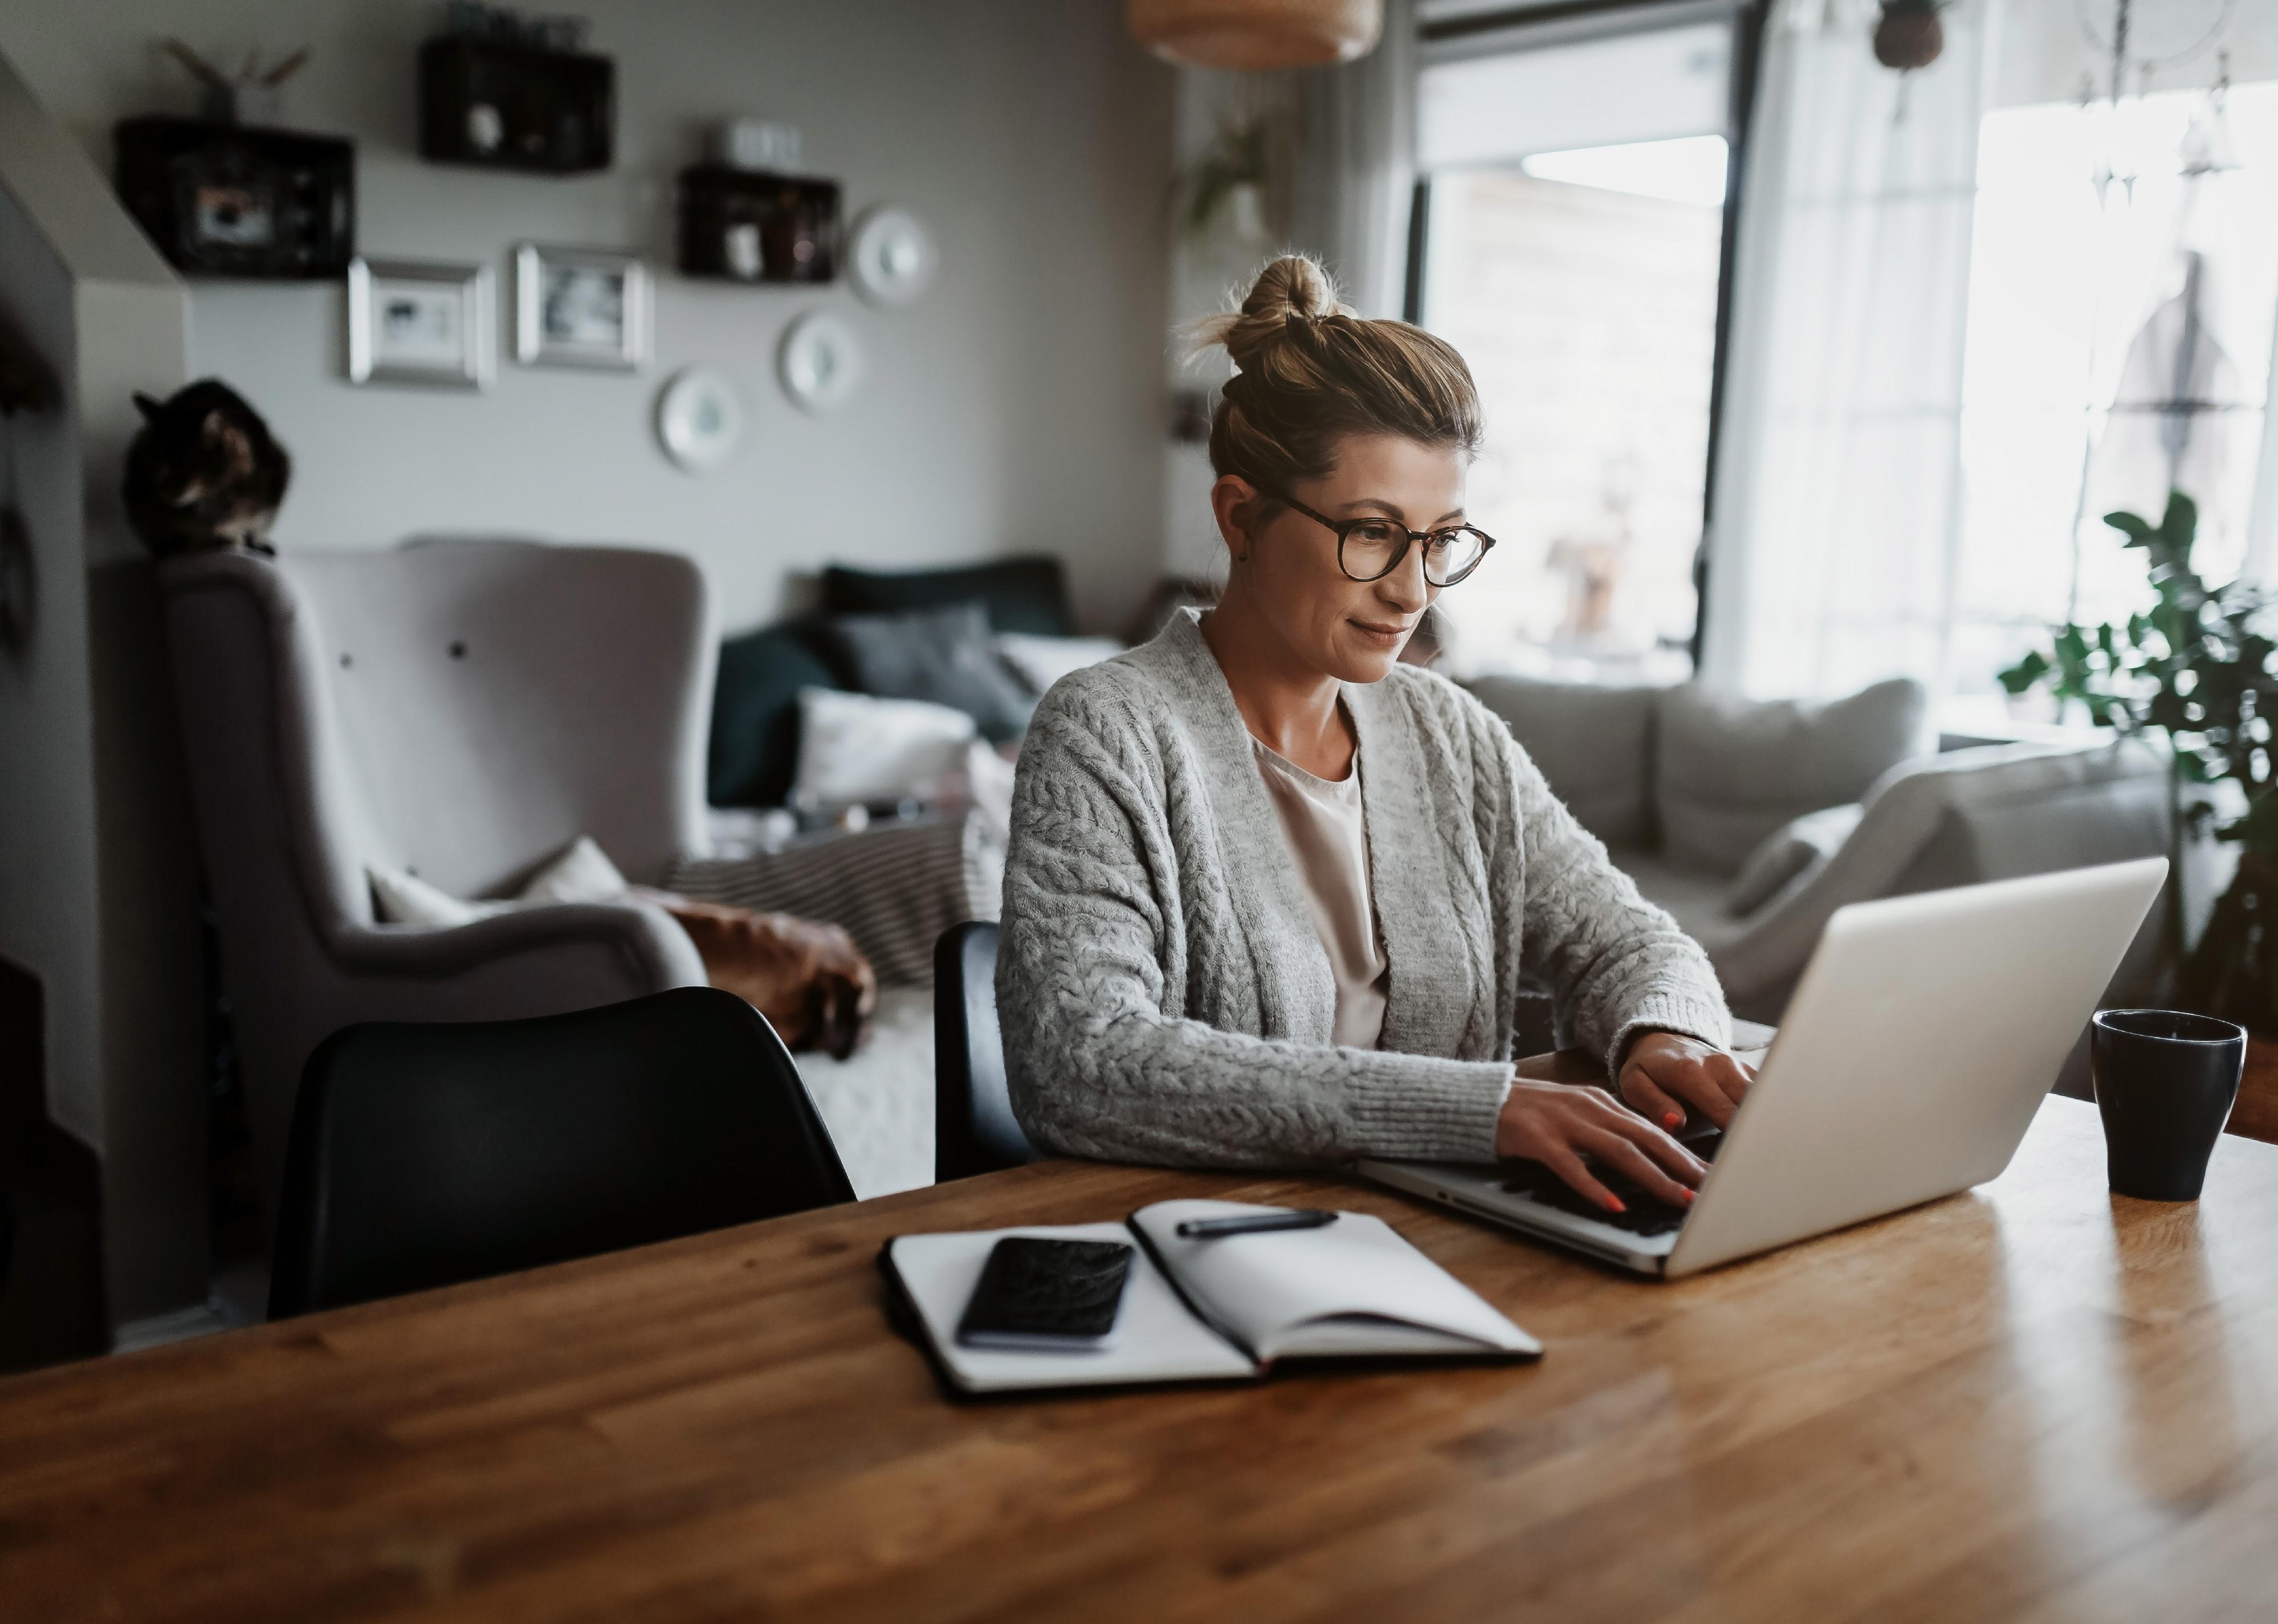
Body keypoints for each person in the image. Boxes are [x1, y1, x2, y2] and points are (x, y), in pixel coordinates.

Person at [995, 255, 1751, 1214]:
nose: (1411, 589)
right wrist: (1480, 1110)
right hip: (1206, 1253)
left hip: (1448, 1238)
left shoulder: (1449, 732)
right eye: (1371, 533)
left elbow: (1629, 942)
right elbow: (1083, 1061)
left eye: (1440, 540)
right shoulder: (1108, 732)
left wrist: (1665, 1034)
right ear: (1241, 516)